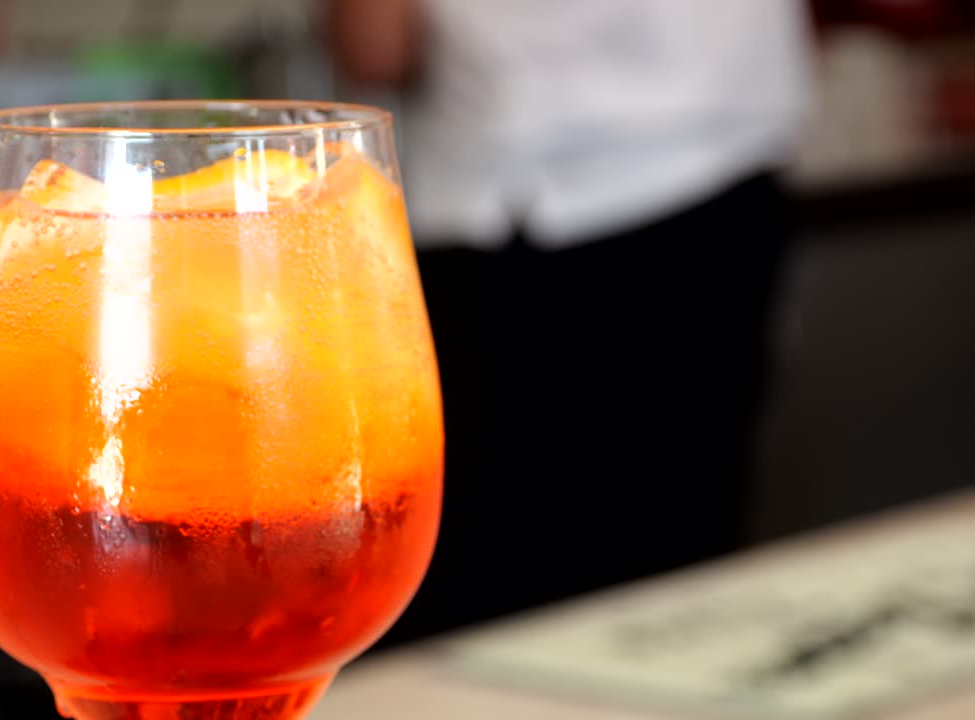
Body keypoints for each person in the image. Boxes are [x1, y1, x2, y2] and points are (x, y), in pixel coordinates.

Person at [326, 0, 814, 646]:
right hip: (498, 199)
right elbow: (375, 49)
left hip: (642, 187)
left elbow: (374, 47)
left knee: (614, 600)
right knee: (505, 587)